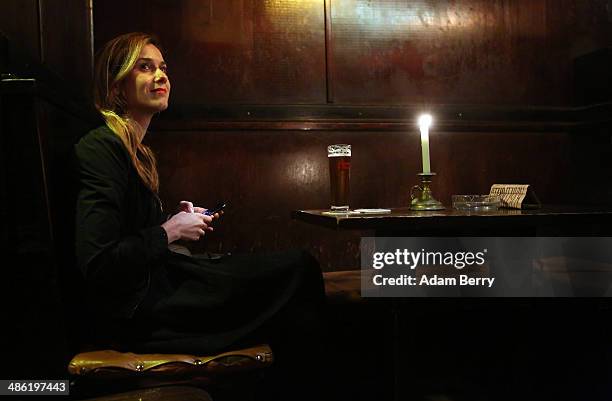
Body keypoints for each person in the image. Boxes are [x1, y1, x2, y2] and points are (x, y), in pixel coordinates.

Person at [74, 33, 326, 393]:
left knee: (296, 275)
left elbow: (129, 234)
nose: (160, 75)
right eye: (145, 68)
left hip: (160, 288)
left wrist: (171, 223)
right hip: (140, 314)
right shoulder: (100, 147)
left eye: (163, 68)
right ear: (116, 87)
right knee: (299, 270)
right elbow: (98, 263)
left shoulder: (135, 150)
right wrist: (170, 232)